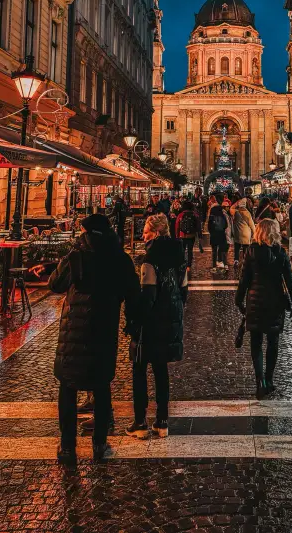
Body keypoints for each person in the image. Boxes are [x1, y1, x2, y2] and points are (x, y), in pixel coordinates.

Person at [49, 213, 140, 465]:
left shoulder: (76, 256)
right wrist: (132, 324)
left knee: (68, 387)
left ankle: (67, 447)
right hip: (104, 329)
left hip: (73, 333)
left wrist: (67, 257)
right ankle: (99, 444)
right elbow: (134, 295)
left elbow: (55, 284)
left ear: (85, 233)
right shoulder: (120, 258)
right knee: (101, 385)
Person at [127, 213, 188, 439]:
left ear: (157, 232)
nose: (143, 236)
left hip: (150, 324)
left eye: (146, 232)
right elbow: (184, 291)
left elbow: (148, 296)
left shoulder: (150, 258)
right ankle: (162, 421)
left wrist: (134, 321)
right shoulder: (179, 255)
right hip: (170, 320)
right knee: (161, 370)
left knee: (139, 369)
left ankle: (140, 422)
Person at [236, 218, 292, 399]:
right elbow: (290, 281)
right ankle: (269, 380)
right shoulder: (281, 253)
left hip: (255, 302)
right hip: (275, 303)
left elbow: (244, 280)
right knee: (273, 343)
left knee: (256, 344)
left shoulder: (251, 252)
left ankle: (260, 382)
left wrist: (239, 300)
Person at [208, 192, 231, 271]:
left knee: (214, 251)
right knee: (223, 250)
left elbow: (210, 222)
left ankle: (214, 266)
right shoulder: (223, 209)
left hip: (214, 233)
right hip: (221, 233)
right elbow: (226, 224)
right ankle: (225, 265)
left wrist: (211, 231)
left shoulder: (212, 209)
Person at [175, 199, 201, 266]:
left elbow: (177, 226)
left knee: (182, 250)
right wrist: (199, 236)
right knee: (190, 250)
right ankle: (189, 265)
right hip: (192, 235)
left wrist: (177, 236)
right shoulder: (195, 214)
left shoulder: (180, 215)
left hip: (182, 235)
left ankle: (182, 263)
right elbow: (198, 226)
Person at [232, 197, 254, 265]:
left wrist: (236, 203)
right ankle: (245, 260)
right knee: (246, 248)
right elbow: (251, 225)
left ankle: (236, 260)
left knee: (237, 248)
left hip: (238, 233)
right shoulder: (247, 213)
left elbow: (231, 209)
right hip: (246, 234)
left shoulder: (236, 212)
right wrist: (254, 232)